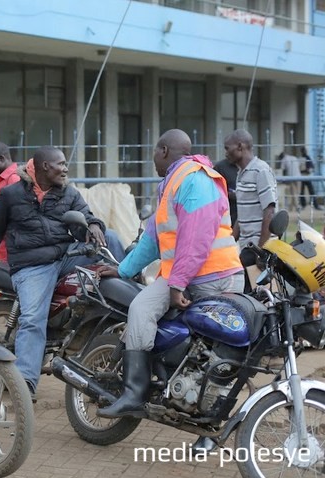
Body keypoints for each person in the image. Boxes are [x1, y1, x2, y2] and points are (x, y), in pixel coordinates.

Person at [97, 129, 244, 420]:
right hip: (217, 273)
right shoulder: (178, 181)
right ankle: (201, 413)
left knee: (141, 308)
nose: (153, 158)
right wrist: (124, 269)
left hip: (204, 276)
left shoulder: (192, 180)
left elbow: (195, 241)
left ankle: (133, 395)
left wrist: (177, 284)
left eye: (154, 152)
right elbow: (153, 238)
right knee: (218, 351)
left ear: (164, 150)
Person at [0, 146, 108, 401]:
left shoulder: (68, 192)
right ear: (45, 167)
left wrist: (92, 226)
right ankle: (25, 383)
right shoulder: (11, 195)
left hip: (66, 256)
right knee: (33, 318)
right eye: (61, 164)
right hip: (33, 265)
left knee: (109, 239)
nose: (66, 169)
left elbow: (85, 217)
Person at [224, 129, 277, 252]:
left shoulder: (261, 170)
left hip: (259, 246)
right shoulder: (241, 173)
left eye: (227, 148)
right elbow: (242, 215)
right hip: (246, 246)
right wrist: (230, 243)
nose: (226, 153)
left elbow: (269, 212)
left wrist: (261, 250)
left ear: (239, 146)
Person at [214, 157, 238, 225]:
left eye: (227, 149)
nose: (226, 153)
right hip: (228, 222)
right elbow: (212, 194)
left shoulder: (256, 169)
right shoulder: (220, 167)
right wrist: (228, 195)